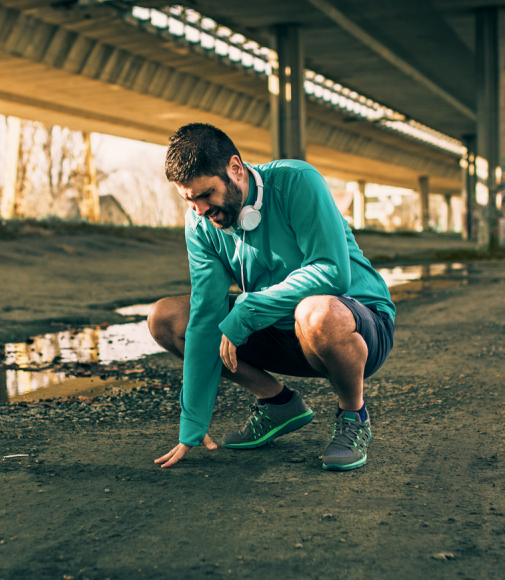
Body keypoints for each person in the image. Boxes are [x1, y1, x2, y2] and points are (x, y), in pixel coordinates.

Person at [148, 123, 395, 471]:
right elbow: (205, 315)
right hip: (280, 330)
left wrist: (249, 308)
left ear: (235, 168)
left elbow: (331, 271)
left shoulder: (296, 181)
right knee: (167, 317)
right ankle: (278, 403)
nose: (200, 209)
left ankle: (353, 416)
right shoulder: (200, 223)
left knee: (316, 311)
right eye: (189, 199)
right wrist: (193, 422)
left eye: (207, 194)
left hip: (356, 324)